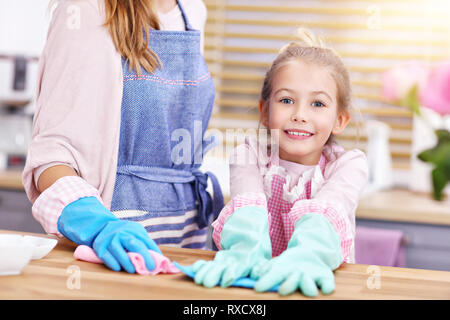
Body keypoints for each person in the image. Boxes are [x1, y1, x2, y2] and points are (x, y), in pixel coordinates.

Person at [22, 0, 223, 274]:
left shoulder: (193, 10)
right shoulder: (84, 10)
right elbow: (50, 156)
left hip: (188, 242)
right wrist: (97, 224)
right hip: (114, 252)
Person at [191, 29, 369, 296]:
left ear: (340, 120)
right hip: (254, 289)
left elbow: (327, 213)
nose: (299, 115)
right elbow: (247, 212)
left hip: (316, 289)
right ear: (265, 112)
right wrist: (244, 249)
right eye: (286, 100)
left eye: (318, 104)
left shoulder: (349, 165)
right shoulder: (249, 156)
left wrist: (308, 256)